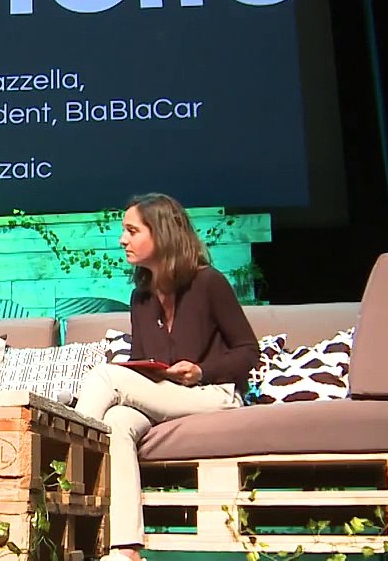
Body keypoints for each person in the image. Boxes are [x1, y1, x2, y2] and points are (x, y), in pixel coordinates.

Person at [75, 193, 259, 561]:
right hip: (167, 397)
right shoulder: (140, 298)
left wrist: (201, 370)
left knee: (106, 378)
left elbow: (248, 351)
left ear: (161, 234)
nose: (122, 240)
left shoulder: (209, 283)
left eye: (131, 230)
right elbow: (143, 361)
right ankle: (126, 548)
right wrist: (148, 371)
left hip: (214, 394)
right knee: (117, 420)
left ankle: (63, 466)